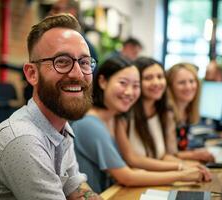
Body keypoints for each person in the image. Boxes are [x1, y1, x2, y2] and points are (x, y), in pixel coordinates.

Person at [0, 14, 101, 200]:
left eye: (84, 62)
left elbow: (74, 188)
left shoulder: (60, 128)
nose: (77, 73)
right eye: (62, 62)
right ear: (32, 74)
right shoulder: (23, 140)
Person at [72, 56, 210, 194]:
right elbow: (126, 176)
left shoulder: (114, 118)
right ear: (102, 82)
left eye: (135, 86)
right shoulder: (90, 124)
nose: (129, 92)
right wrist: (182, 174)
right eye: (123, 83)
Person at [115, 57, 211, 174]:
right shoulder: (125, 115)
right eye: (148, 78)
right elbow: (133, 160)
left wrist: (187, 166)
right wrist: (181, 168)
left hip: (154, 177)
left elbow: (162, 156)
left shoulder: (159, 111)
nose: (156, 82)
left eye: (160, 77)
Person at [166, 62, 215, 163]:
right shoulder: (168, 113)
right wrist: (194, 154)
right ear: (170, 86)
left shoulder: (186, 110)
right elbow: (170, 154)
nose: (188, 87)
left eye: (192, 81)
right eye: (182, 83)